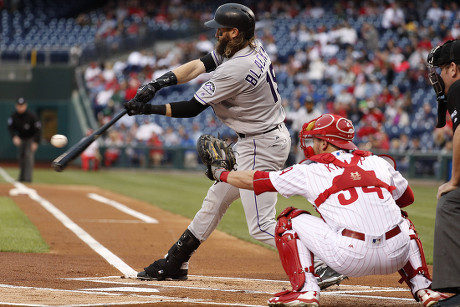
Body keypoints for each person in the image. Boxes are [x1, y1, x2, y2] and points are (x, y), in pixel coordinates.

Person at [124, 3, 344, 288]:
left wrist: (147, 110)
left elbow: (191, 108)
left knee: (261, 225)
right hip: (259, 138)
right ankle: (175, 262)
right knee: (215, 201)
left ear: (235, 32)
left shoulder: (237, 68)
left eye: (221, 30)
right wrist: (157, 83)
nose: (217, 35)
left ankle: (326, 262)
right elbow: (201, 64)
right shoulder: (250, 46)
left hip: (259, 145)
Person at [207, 113, 448, 307]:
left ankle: (306, 290)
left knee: (288, 219)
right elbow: (407, 199)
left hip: (349, 257)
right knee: (402, 221)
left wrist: (222, 173)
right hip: (396, 255)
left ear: (325, 142)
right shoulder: (377, 161)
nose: (311, 145)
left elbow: (256, 180)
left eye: (314, 140)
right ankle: (424, 286)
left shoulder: (310, 169)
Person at [426, 39, 460, 307]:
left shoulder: (459, 87)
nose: (436, 78)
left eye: (439, 70)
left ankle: (455, 292)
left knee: (451, 201)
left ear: (453, 69)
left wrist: (455, 179)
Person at [7, 97, 41, 182]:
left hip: (30, 139)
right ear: (16, 106)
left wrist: (36, 142)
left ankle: (28, 179)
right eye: (19, 105)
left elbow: (38, 130)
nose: (20, 107)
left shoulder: (31, 116)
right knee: (21, 158)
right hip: (21, 139)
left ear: (25, 106)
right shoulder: (13, 116)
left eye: (22, 105)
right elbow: (10, 128)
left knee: (28, 157)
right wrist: (14, 137)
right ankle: (22, 178)